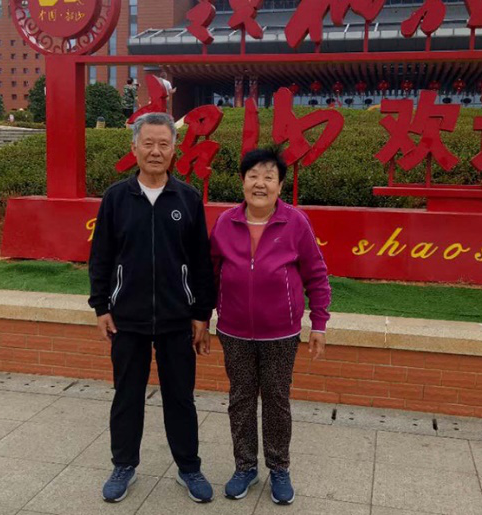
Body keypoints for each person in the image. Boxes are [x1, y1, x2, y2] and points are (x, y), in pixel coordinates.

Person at [89, 112, 216, 504]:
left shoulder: (187, 198)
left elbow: (201, 262)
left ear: (174, 150)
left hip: (178, 318)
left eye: (164, 144)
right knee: (127, 396)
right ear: (135, 148)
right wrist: (101, 306)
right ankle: (123, 465)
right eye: (148, 143)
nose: (156, 151)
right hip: (127, 317)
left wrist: (202, 313)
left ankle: (189, 468)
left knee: (181, 398)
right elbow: (101, 257)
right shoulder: (116, 198)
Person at [209, 148, 331, 505]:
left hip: (281, 332)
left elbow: (317, 275)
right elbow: (209, 273)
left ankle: (279, 468)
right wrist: (202, 316)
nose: (260, 184)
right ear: (242, 181)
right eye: (253, 176)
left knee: (277, 400)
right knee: (241, 399)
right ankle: (245, 466)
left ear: (279, 185)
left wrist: (319, 324)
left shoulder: (295, 223)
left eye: (268, 177)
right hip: (233, 331)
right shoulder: (225, 222)